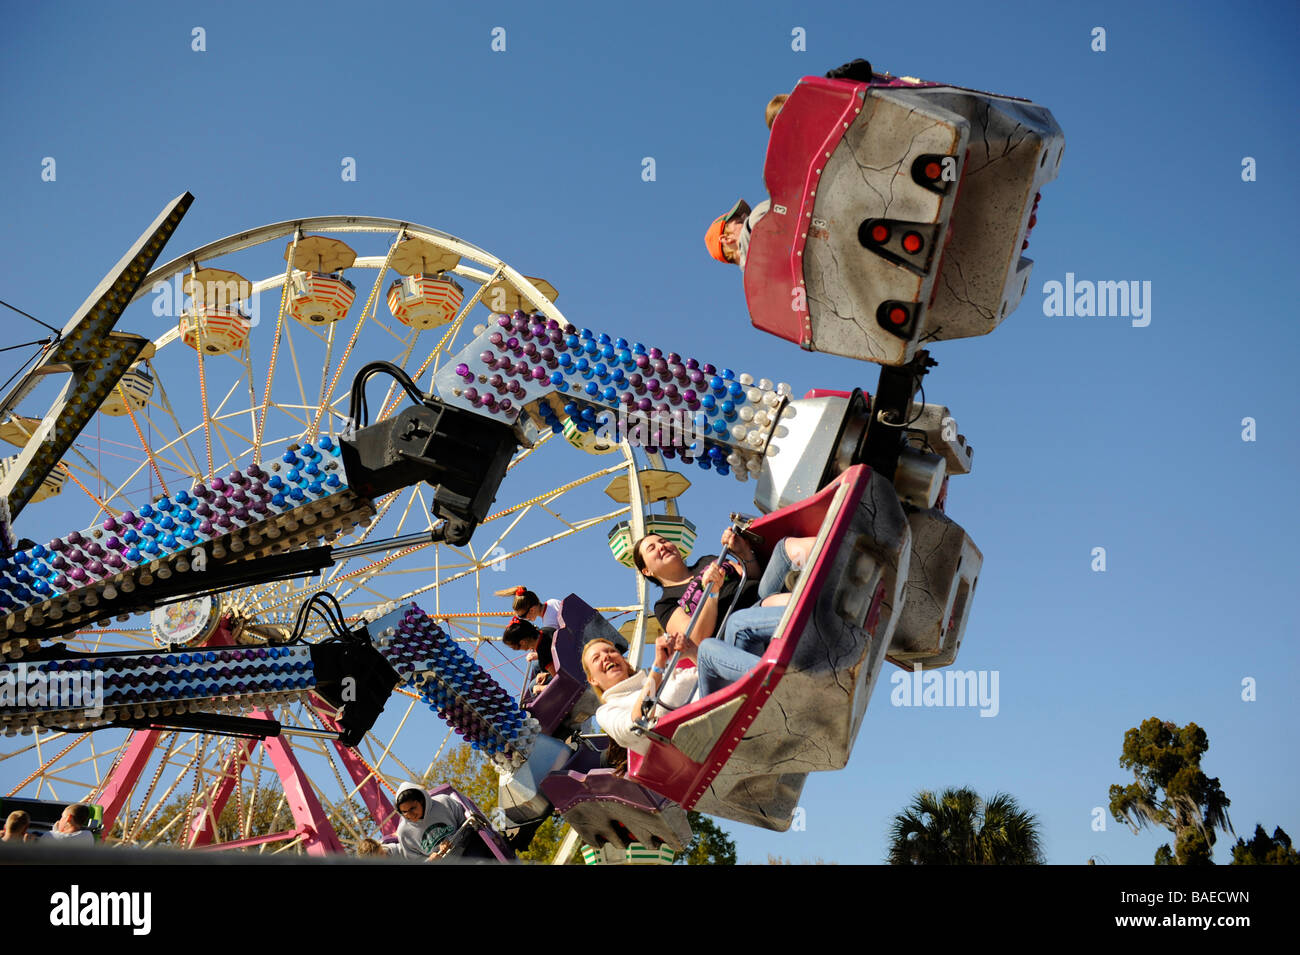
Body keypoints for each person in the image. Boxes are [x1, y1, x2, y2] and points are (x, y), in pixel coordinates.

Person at [583, 636, 697, 756]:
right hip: (690, 746)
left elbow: (705, 675)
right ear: (593, 680)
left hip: (713, 702)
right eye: (596, 658)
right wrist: (658, 666)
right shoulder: (606, 712)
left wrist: (690, 652)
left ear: (624, 661)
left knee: (706, 648)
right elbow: (637, 725)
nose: (606, 656)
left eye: (611, 651)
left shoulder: (661, 676)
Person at [393, 781, 481, 861]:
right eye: (404, 812)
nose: (410, 815)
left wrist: (451, 841)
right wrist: (430, 860)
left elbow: (468, 824)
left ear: (421, 801)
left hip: (469, 849)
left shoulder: (444, 802)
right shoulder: (404, 833)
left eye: (413, 808)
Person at [502, 616, 554, 692]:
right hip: (572, 655)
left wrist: (540, 688)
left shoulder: (543, 657)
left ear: (522, 642)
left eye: (515, 648)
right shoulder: (546, 630)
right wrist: (547, 674)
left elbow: (563, 680)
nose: (517, 650)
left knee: (532, 688)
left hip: (570, 670)